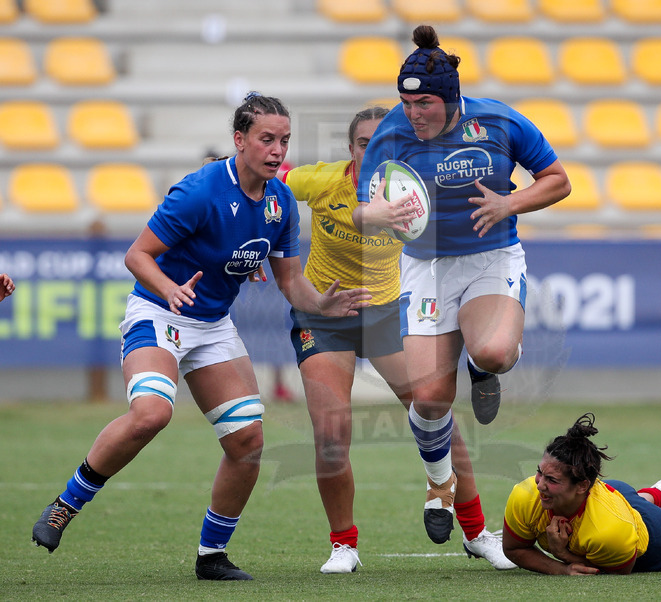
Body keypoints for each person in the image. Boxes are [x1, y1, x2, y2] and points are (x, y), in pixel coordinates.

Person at [30, 93, 370, 581]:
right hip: (159, 312)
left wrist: (320, 304)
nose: (277, 150)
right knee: (152, 414)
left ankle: (211, 556)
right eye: (267, 139)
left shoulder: (280, 203)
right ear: (240, 140)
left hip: (212, 326)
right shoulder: (200, 191)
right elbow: (137, 255)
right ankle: (66, 504)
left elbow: (291, 281)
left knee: (248, 441)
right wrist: (169, 289)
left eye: (284, 140)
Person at [353, 25, 571, 544]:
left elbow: (558, 180)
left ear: (451, 99)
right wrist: (376, 214)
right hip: (425, 266)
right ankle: (439, 485)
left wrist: (508, 203)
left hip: (489, 257)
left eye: (424, 103)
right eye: (407, 102)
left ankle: (482, 367)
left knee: (494, 351)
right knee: (429, 398)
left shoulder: (499, 121)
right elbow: (362, 210)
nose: (413, 113)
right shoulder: (391, 132)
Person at [282, 106, 516, 573]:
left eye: (383, 143)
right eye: (363, 144)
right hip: (324, 316)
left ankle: (475, 533)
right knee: (331, 435)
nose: (373, 151)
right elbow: (265, 185)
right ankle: (343, 546)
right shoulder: (323, 181)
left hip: (389, 313)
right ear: (350, 149)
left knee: (436, 414)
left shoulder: (419, 188)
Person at [503, 413, 661, 574]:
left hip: (646, 534)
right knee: (630, 502)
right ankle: (655, 494)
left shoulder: (609, 531)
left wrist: (563, 554)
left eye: (551, 480)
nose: (539, 485)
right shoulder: (525, 494)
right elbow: (514, 549)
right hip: (616, 493)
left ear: (582, 486)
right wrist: (560, 569)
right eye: (539, 473)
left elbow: (621, 571)